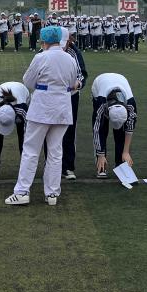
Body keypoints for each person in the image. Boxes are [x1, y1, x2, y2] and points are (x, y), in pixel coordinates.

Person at [6, 26, 81, 206]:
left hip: (42, 107)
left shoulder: (41, 57)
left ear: (44, 41)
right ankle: (52, 193)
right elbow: (73, 83)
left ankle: (22, 192)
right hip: (62, 107)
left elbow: (28, 81)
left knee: (31, 151)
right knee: (55, 152)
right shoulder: (70, 58)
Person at [90, 72, 137, 178]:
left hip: (121, 79)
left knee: (121, 132)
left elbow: (129, 129)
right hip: (99, 84)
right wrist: (101, 154)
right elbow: (97, 129)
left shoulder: (131, 104)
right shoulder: (101, 103)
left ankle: (120, 163)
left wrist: (126, 152)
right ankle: (101, 164)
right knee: (102, 128)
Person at [0, 81, 29, 181]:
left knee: (23, 135)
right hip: (0, 90)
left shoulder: (22, 110)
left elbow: (27, 138)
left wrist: (27, 164)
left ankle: (25, 167)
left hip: (22, 91)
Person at [61, 28, 89, 180]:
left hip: (70, 95)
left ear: (68, 41)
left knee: (69, 129)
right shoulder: (44, 50)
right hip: (50, 96)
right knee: (49, 130)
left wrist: (78, 83)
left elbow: (81, 73)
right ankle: (51, 165)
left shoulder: (73, 52)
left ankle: (68, 166)